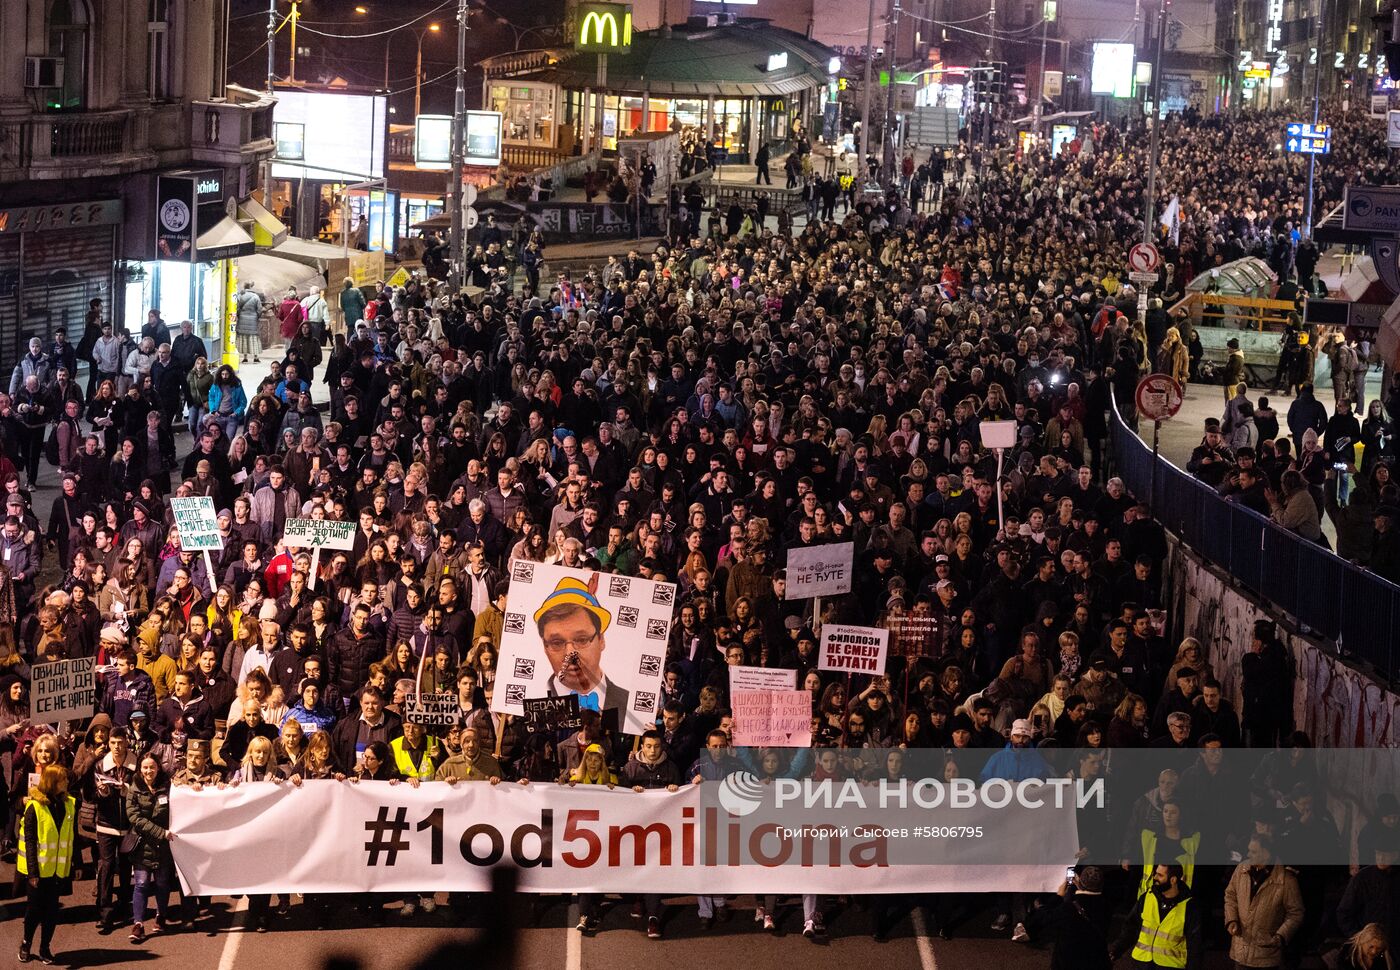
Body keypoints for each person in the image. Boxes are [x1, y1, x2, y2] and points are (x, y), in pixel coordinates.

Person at [17, 764, 75, 965]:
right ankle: (26, 943)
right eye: (63, 780)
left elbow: (69, 838)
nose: (67, 782)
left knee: (51, 912)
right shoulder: (35, 807)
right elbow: (30, 841)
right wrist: (32, 873)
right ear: (53, 782)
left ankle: (45, 947)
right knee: (34, 911)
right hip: (38, 871)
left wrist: (71, 866)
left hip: (57, 870)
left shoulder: (67, 804)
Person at [1224, 834, 1304, 969]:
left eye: (1253, 851)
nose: (1248, 854)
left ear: (1267, 853)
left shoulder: (1286, 880)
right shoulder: (1241, 870)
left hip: (1266, 956)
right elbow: (1230, 895)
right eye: (1249, 850)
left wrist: (1280, 936)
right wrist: (1232, 920)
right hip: (1240, 953)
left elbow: (1296, 913)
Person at [125, 752, 179, 944]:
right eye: (145, 767)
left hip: (164, 847)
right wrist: (160, 832)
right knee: (141, 884)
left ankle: (161, 915)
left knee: (163, 884)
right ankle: (138, 924)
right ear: (140, 769)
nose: (149, 771)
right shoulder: (134, 789)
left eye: (152, 767)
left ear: (158, 768)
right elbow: (135, 818)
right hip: (143, 846)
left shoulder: (169, 787)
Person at [1113, 863, 1202, 969]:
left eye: (1160, 875)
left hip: (1170, 965)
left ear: (1173, 880)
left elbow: (1195, 945)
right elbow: (1130, 927)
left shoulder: (1189, 907)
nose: (1155, 878)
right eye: (1155, 874)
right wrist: (1116, 950)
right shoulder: (1146, 898)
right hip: (1142, 962)